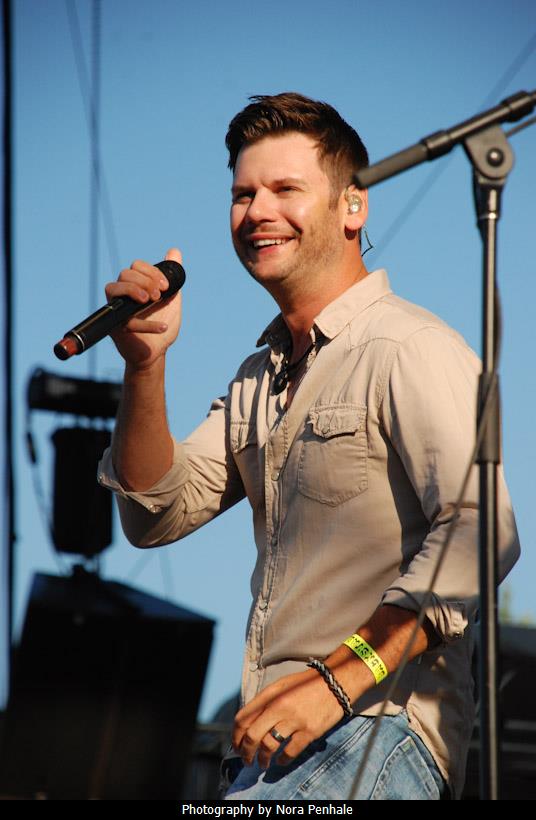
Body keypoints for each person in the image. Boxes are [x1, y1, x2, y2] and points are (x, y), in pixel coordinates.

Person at [98, 93, 520, 800]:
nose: (257, 211)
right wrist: (145, 365)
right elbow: (154, 514)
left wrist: (337, 680)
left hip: (376, 731)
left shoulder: (407, 345)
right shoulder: (256, 380)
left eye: (285, 189)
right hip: (271, 756)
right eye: (243, 195)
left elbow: (481, 533)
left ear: (353, 206)